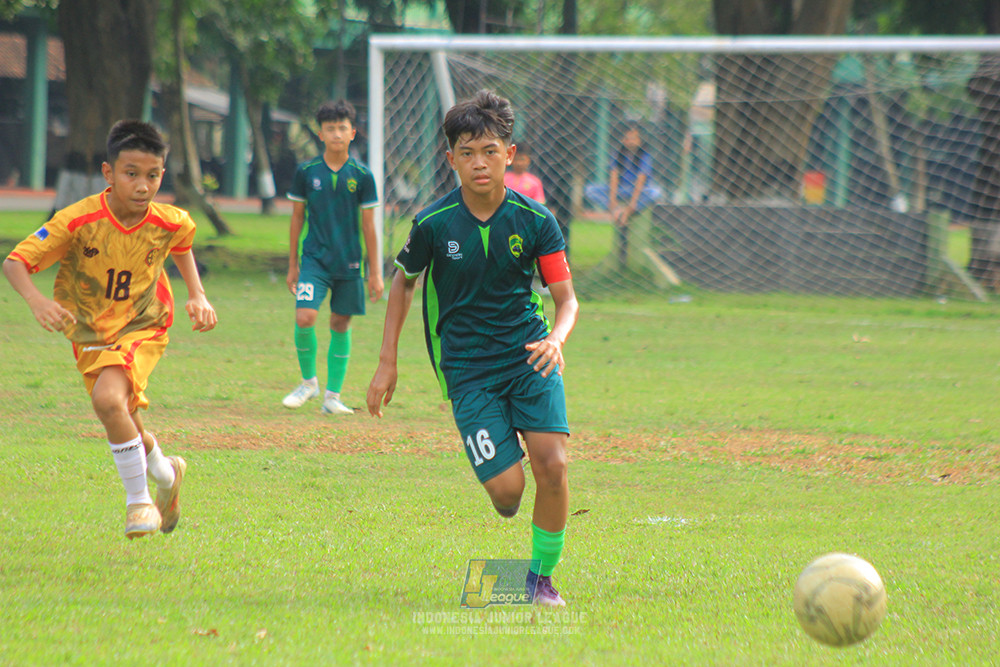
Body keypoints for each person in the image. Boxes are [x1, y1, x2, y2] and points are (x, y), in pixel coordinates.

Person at [367, 90, 580, 607]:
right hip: (468, 369)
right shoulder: (434, 223)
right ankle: (503, 446)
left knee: (553, 464)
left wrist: (555, 337)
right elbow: (402, 283)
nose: (479, 163)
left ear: (510, 152)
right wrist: (386, 362)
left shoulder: (536, 220)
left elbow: (566, 300)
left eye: (489, 150)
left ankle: (539, 580)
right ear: (451, 160)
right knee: (507, 497)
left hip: (531, 356)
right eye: (467, 153)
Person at [2, 120, 217, 539]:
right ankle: (165, 471)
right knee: (120, 412)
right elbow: (15, 263)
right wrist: (37, 300)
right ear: (108, 173)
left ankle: (138, 504)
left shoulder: (168, 220)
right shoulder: (78, 220)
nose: (143, 186)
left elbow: (182, 242)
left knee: (107, 400)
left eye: (153, 176)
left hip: (144, 323)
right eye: (131, 174)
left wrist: (198, 294)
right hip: (88, 332)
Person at [283, 100, 383, 415]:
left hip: (350, 262)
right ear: (320, 133)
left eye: (342, 128)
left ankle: (332, 397)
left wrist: (376, 272)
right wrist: (293, 264)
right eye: (330, 128)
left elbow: (369, 226)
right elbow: (297, 218)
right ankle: (308, 383)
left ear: (352, 133)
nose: (336, 133)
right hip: (314, 260)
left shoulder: (363, 175)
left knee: (341, 322)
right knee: (305, 317)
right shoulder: (307, 172)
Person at [584, 124, 663, 264]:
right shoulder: (617, 154)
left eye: (634, 138)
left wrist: (632, 204)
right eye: (627, 138)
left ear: (640, 140)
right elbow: (613, 177)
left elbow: (641, 180)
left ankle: (624, 213)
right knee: (590, 190)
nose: (630, 141)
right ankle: (617, 211)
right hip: (621, 189)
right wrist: (612, 201)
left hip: (638, 191)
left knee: (656, 191)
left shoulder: (644, 156)